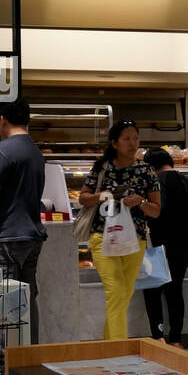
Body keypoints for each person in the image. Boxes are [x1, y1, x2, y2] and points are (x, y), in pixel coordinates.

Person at [78, 119, 160, 340]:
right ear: (114, 143)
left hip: (135, 239)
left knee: (123, 294)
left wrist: (140, 202)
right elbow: (83, 198)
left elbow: (156, 211)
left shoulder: (146, 170)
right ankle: (119, 348)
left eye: (135, 138)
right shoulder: (102, 167)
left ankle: (109, 346)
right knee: (115, 292)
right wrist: (100, 196)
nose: (132, 143)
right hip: (102, 237)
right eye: (126, 138)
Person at [0, 98, 46, 367]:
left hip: (6, 235)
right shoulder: (35, 151)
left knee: (3, 295)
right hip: (32, 236)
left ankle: (2, 361)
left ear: (2, 120)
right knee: (27, 295)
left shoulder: (4, 149)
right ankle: (27, 355)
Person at [141, 149, 188, 348]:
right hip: (183, 243)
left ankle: (158, 337)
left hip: (159, 242)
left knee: (152, 291)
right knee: (175, 290)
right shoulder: (184, 180)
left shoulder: (157, 182)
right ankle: (176, 339)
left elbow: (156, 212)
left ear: (151, 166)